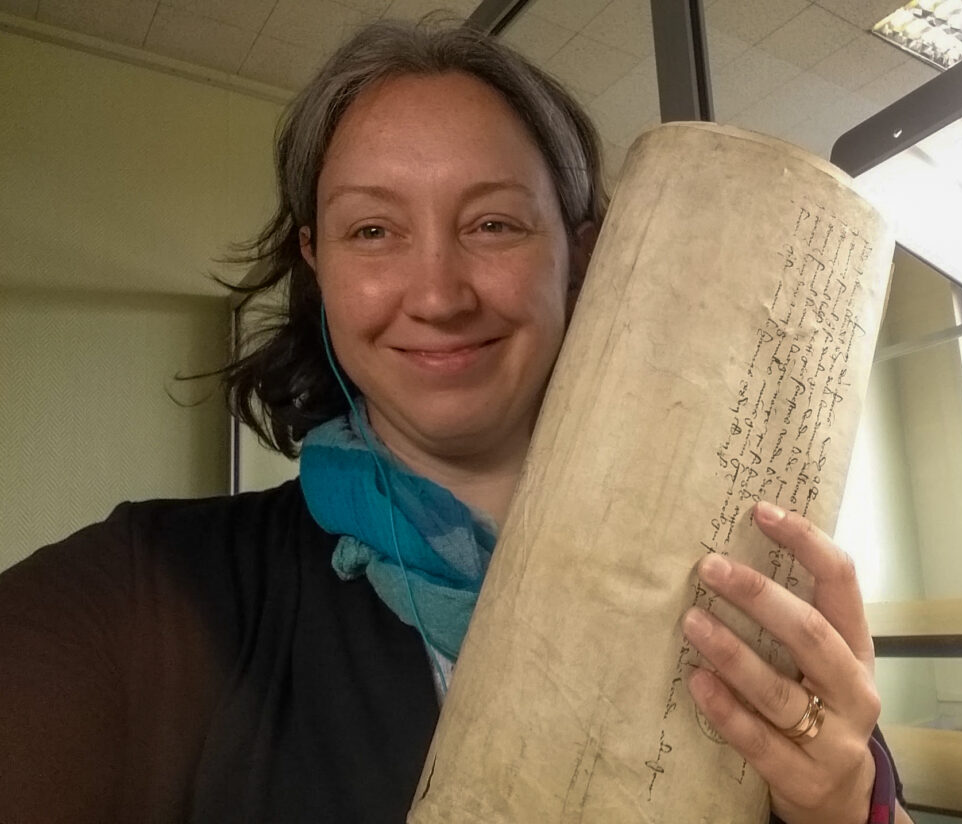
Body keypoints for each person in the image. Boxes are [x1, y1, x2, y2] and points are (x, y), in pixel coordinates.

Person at [0, 18, 911, 824]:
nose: (436, 295)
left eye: (494, 226)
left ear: (585, 254)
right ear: (316, 265)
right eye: (372, 231)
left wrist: (846, 809)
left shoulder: (740, 593)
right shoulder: (149, 591)